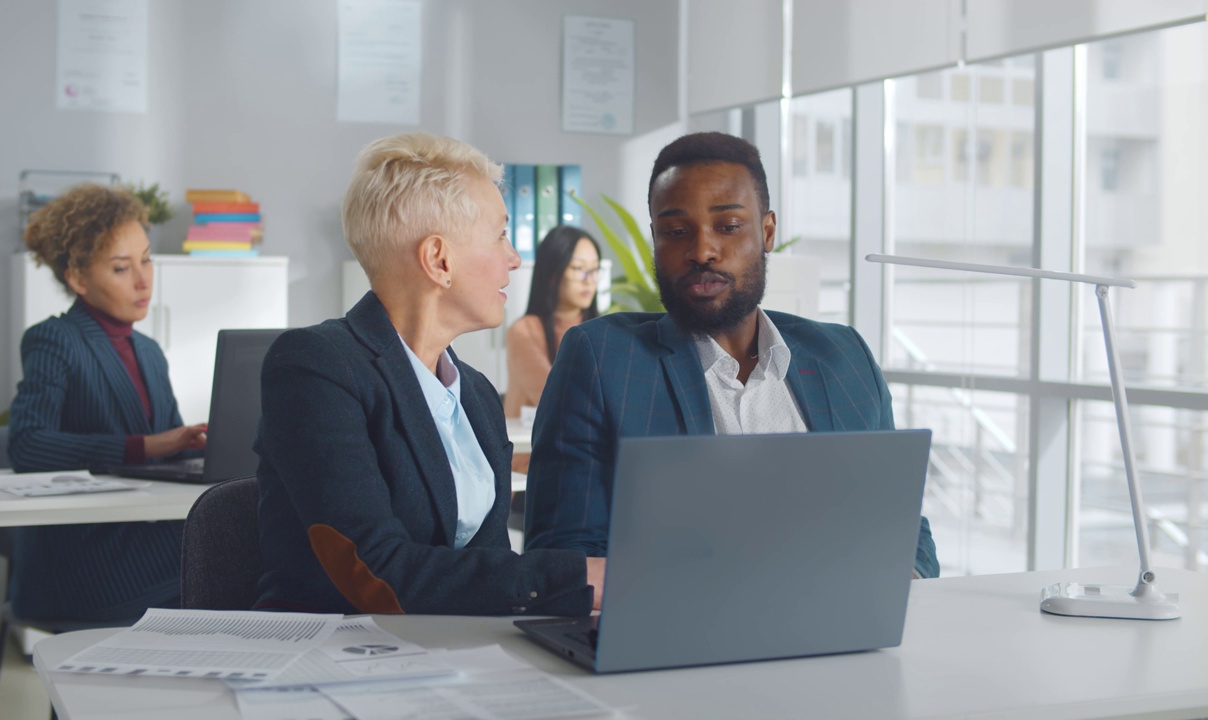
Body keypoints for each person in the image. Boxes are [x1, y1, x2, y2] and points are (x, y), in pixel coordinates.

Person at [524, 131, 940, 579]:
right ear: (656, 241)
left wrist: (894, 587)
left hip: (838, 633)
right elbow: (563, 552)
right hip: (680, 634)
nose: (702, 250)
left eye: (728, 226)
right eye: (676, 231)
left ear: (767, 232)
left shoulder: (844, 357)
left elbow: (905, 529)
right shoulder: (605, 359)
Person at [253, 133, 605, 616]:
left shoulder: (477, 394)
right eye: (501, 234)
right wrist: (574, 576)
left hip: (452, 652)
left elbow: (491, 569)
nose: (515, 259)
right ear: (439, 260)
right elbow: (377, 573)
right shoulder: (316, 367)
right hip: (340, 656)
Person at [7, 183, 208, 622]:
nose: (143, 280)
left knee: (246, 543)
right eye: (121, 268)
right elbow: (27, 445)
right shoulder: (54, 340)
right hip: (86, 555)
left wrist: (197, 443)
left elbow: (168, 451)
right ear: (78, 279)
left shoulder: (150, 352)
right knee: (231, 566)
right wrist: (147, 446)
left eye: (147, 260)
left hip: (144, 532)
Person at [504, 225, 601, 472]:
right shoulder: (524, 331)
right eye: (578, 268)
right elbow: (558, 399)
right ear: (552, 273)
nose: (588, 279)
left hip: (585, 457)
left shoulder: (603, 330)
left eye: (594, 269)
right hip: (533, 465)